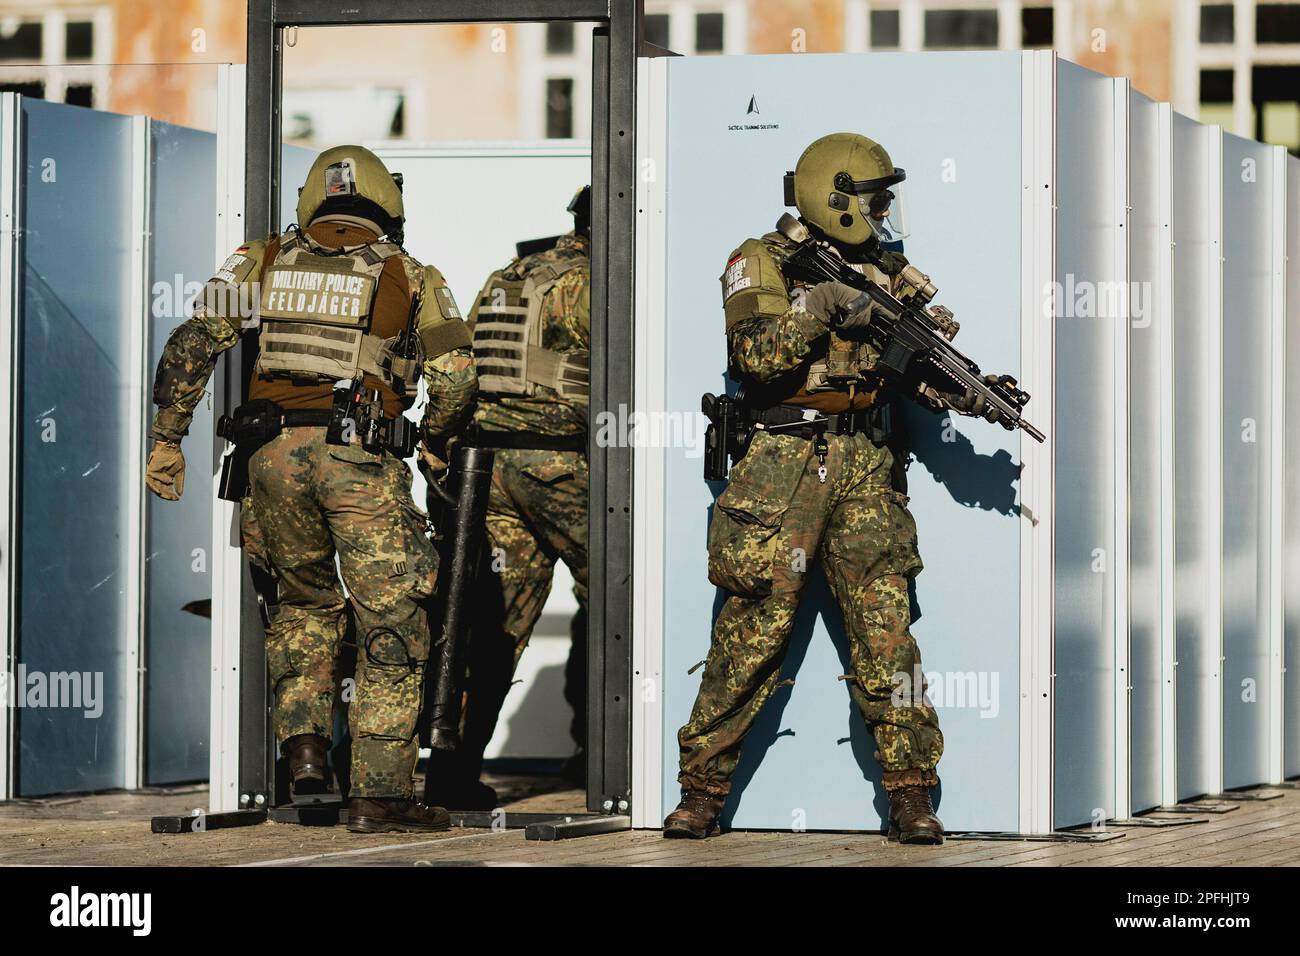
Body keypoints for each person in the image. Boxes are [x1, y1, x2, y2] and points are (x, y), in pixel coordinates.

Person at [664, 132, 1004, 843]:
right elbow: (756, 359)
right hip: (782, 463)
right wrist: (820, 306)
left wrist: (970, 392)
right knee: (750, 634)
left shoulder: (889, 271)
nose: (884, 211)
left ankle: (912, 794)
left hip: (867, 466)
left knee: (888, 636)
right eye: (875, 197)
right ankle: (700, 792)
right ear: (836, 195)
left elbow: (917, 365)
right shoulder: (760, 261)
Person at [145, 145, 477, 833]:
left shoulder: (262, 257)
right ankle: (379, 794)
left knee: (301, 609)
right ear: (389, 204)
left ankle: (304, 759)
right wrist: (438, 441)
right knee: (390, 617)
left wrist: (167, 439)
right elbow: (456, 379)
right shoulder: (408, 272)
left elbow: (192, 342)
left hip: (268, 459)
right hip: (358, 457)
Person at [424, 187, 592, 810]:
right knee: (624, 605)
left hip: (491, 469)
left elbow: (465, 368)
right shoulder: (598, 281)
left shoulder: (509, 275)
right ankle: (615, 760)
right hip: (563, 467)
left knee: (494, 626)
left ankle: (450, 772)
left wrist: (440, 439)